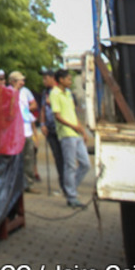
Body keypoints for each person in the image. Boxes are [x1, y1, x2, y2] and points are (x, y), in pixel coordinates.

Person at [49, 68, 91, 208]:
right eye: (68, 79)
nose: (70, 81)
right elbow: (57, 116)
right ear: (61, 80)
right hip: (66, 133)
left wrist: (82, 130)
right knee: (70, 165)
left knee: (85, 164)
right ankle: (72, 196)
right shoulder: (55, 93)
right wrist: (73, 127)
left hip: (75, 133)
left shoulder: (68, 93)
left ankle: (70, 189)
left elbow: (73, 113)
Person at [8, 70, 39, 191]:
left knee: (29, 157)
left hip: (27, 129)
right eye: (19, 81)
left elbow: (34, 105)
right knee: (16, 159)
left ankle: (28, 183)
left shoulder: (25, 92)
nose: (21, 83)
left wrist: (26, 108)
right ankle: (15, 183)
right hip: (15, 131)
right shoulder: (9, 91)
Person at [40, 67, 65, 194]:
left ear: (52, 78)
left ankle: (67, 184)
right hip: (50, 128)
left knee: (65, 157)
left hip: (61, 128)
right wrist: (42, 124)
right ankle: (62, 184)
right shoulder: (45, 92)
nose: (44, 81)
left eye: (46, 78)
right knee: (58, 157)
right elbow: (43, 109)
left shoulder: (61, 90)